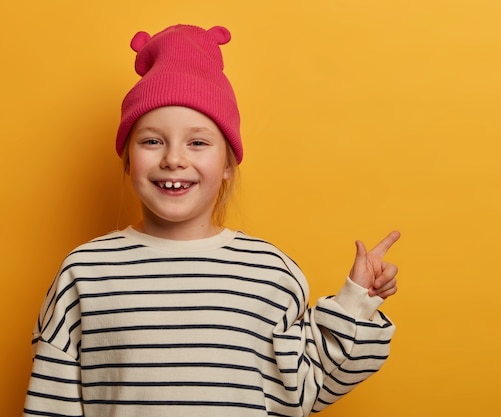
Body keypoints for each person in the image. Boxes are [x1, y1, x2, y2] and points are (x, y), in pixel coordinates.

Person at [23, 24, 400, 417]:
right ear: (128, 160)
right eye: (152, 141)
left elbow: (308, 388)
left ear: (226, 164)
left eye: (198, 142)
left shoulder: (271, 273)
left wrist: (357, 299)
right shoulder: (84, 273)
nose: (174, 159)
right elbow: (53, 403)